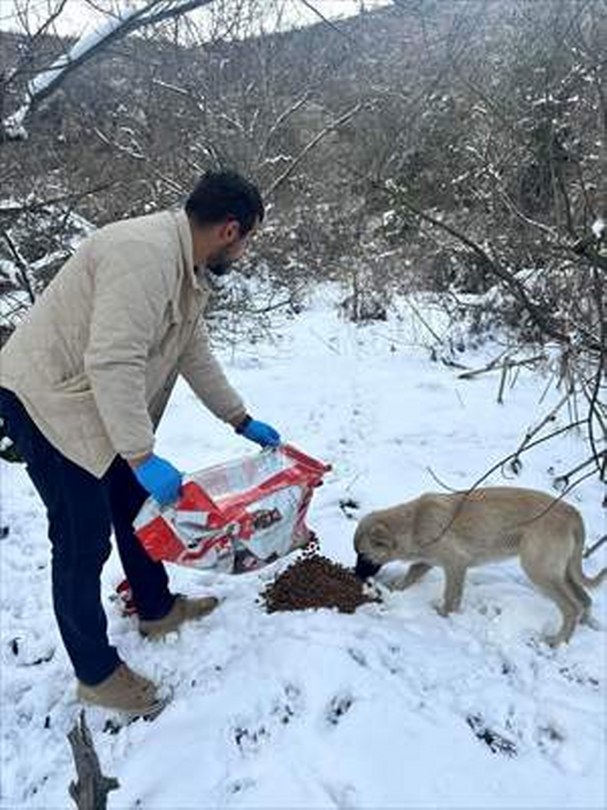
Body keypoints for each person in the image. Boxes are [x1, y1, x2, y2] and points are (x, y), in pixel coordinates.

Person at [0, 170, 280, 718]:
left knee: (134, 505)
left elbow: (192, 351)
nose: (244, 252)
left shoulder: (185, 269)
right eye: (247, 240)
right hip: (45, 399)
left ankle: (155, 607)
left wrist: (239, 417)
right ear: (229, 230)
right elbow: (113, 360)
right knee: (81, 538)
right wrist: (141, 454)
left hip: (90, 398)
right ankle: (96, 675)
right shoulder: (143, 256)